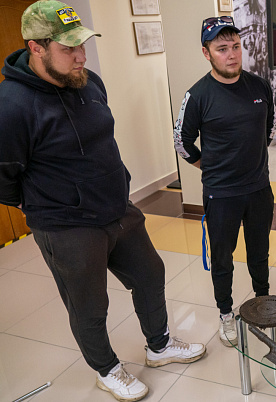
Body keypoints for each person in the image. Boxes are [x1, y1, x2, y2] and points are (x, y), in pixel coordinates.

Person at [0, 1, 206, 401]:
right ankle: (107, 369)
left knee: (150, 274)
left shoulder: (88, 81)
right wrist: (35, 205)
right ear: (36, 48)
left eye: (83, 46)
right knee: (89, 305)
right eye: (69, 49)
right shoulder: (12, 106)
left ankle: (159, 346)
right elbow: (4, 177)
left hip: (117, 207)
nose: (81, 57)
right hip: (67, 226)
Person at [174, 16, 276, 347]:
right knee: (223, 258)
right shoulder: (198, 95)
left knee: (259, 252)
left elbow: (268, 127)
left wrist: (255, 160)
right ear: (207, 54)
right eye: (222, 49)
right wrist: (210, 166)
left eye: (235, 46)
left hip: (260, 188)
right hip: (221, 195)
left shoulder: (259, 86)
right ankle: (225, 313)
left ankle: (262, 300)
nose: (232, 55)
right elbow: (182, 142)